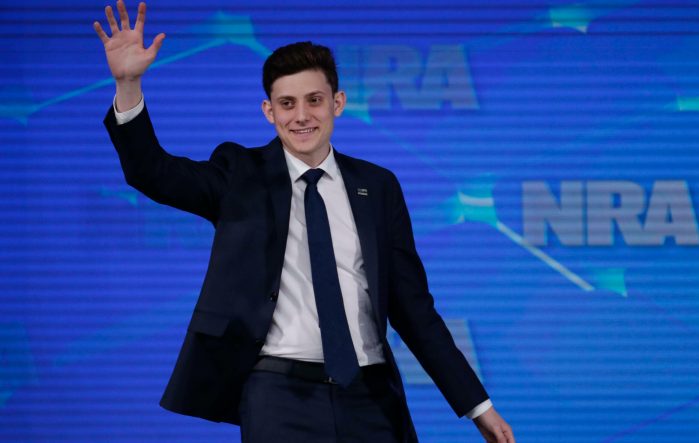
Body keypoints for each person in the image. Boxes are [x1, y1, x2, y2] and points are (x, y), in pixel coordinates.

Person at [94, 1, 516, 442]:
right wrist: (128, 83)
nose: (301, 116)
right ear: (268, 111)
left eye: (314, 101)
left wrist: (477, 406)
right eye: (287, 103)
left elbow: (413, 309)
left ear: (337, 103)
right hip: (277, 394)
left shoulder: (377, 186)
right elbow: (152, 172)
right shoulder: (239, 174)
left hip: (370, 394)